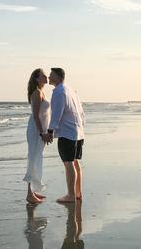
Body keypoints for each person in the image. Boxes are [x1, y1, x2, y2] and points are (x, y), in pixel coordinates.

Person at [43, 68, 85, 203]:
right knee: (75, 162)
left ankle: (71, 195)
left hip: (67, 133)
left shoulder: (59, 92)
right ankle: (77, 193)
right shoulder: (71, 90)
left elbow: (57, 113)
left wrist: (50, 131)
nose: (49, 77)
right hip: (78, 131)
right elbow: (81, 111)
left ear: (58, 77)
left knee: (68, 163)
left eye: (51, 75)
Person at [23, 68, 50, 204]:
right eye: (44, 76)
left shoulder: (42, 92)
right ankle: (29, 194)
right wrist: (42, 133)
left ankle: (33, 191)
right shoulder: (36, 93)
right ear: (37, 78)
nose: (47, 78)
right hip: (36, 130)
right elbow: (35, 116)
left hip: (40, 130)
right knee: (33, 158)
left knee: (37, 158)